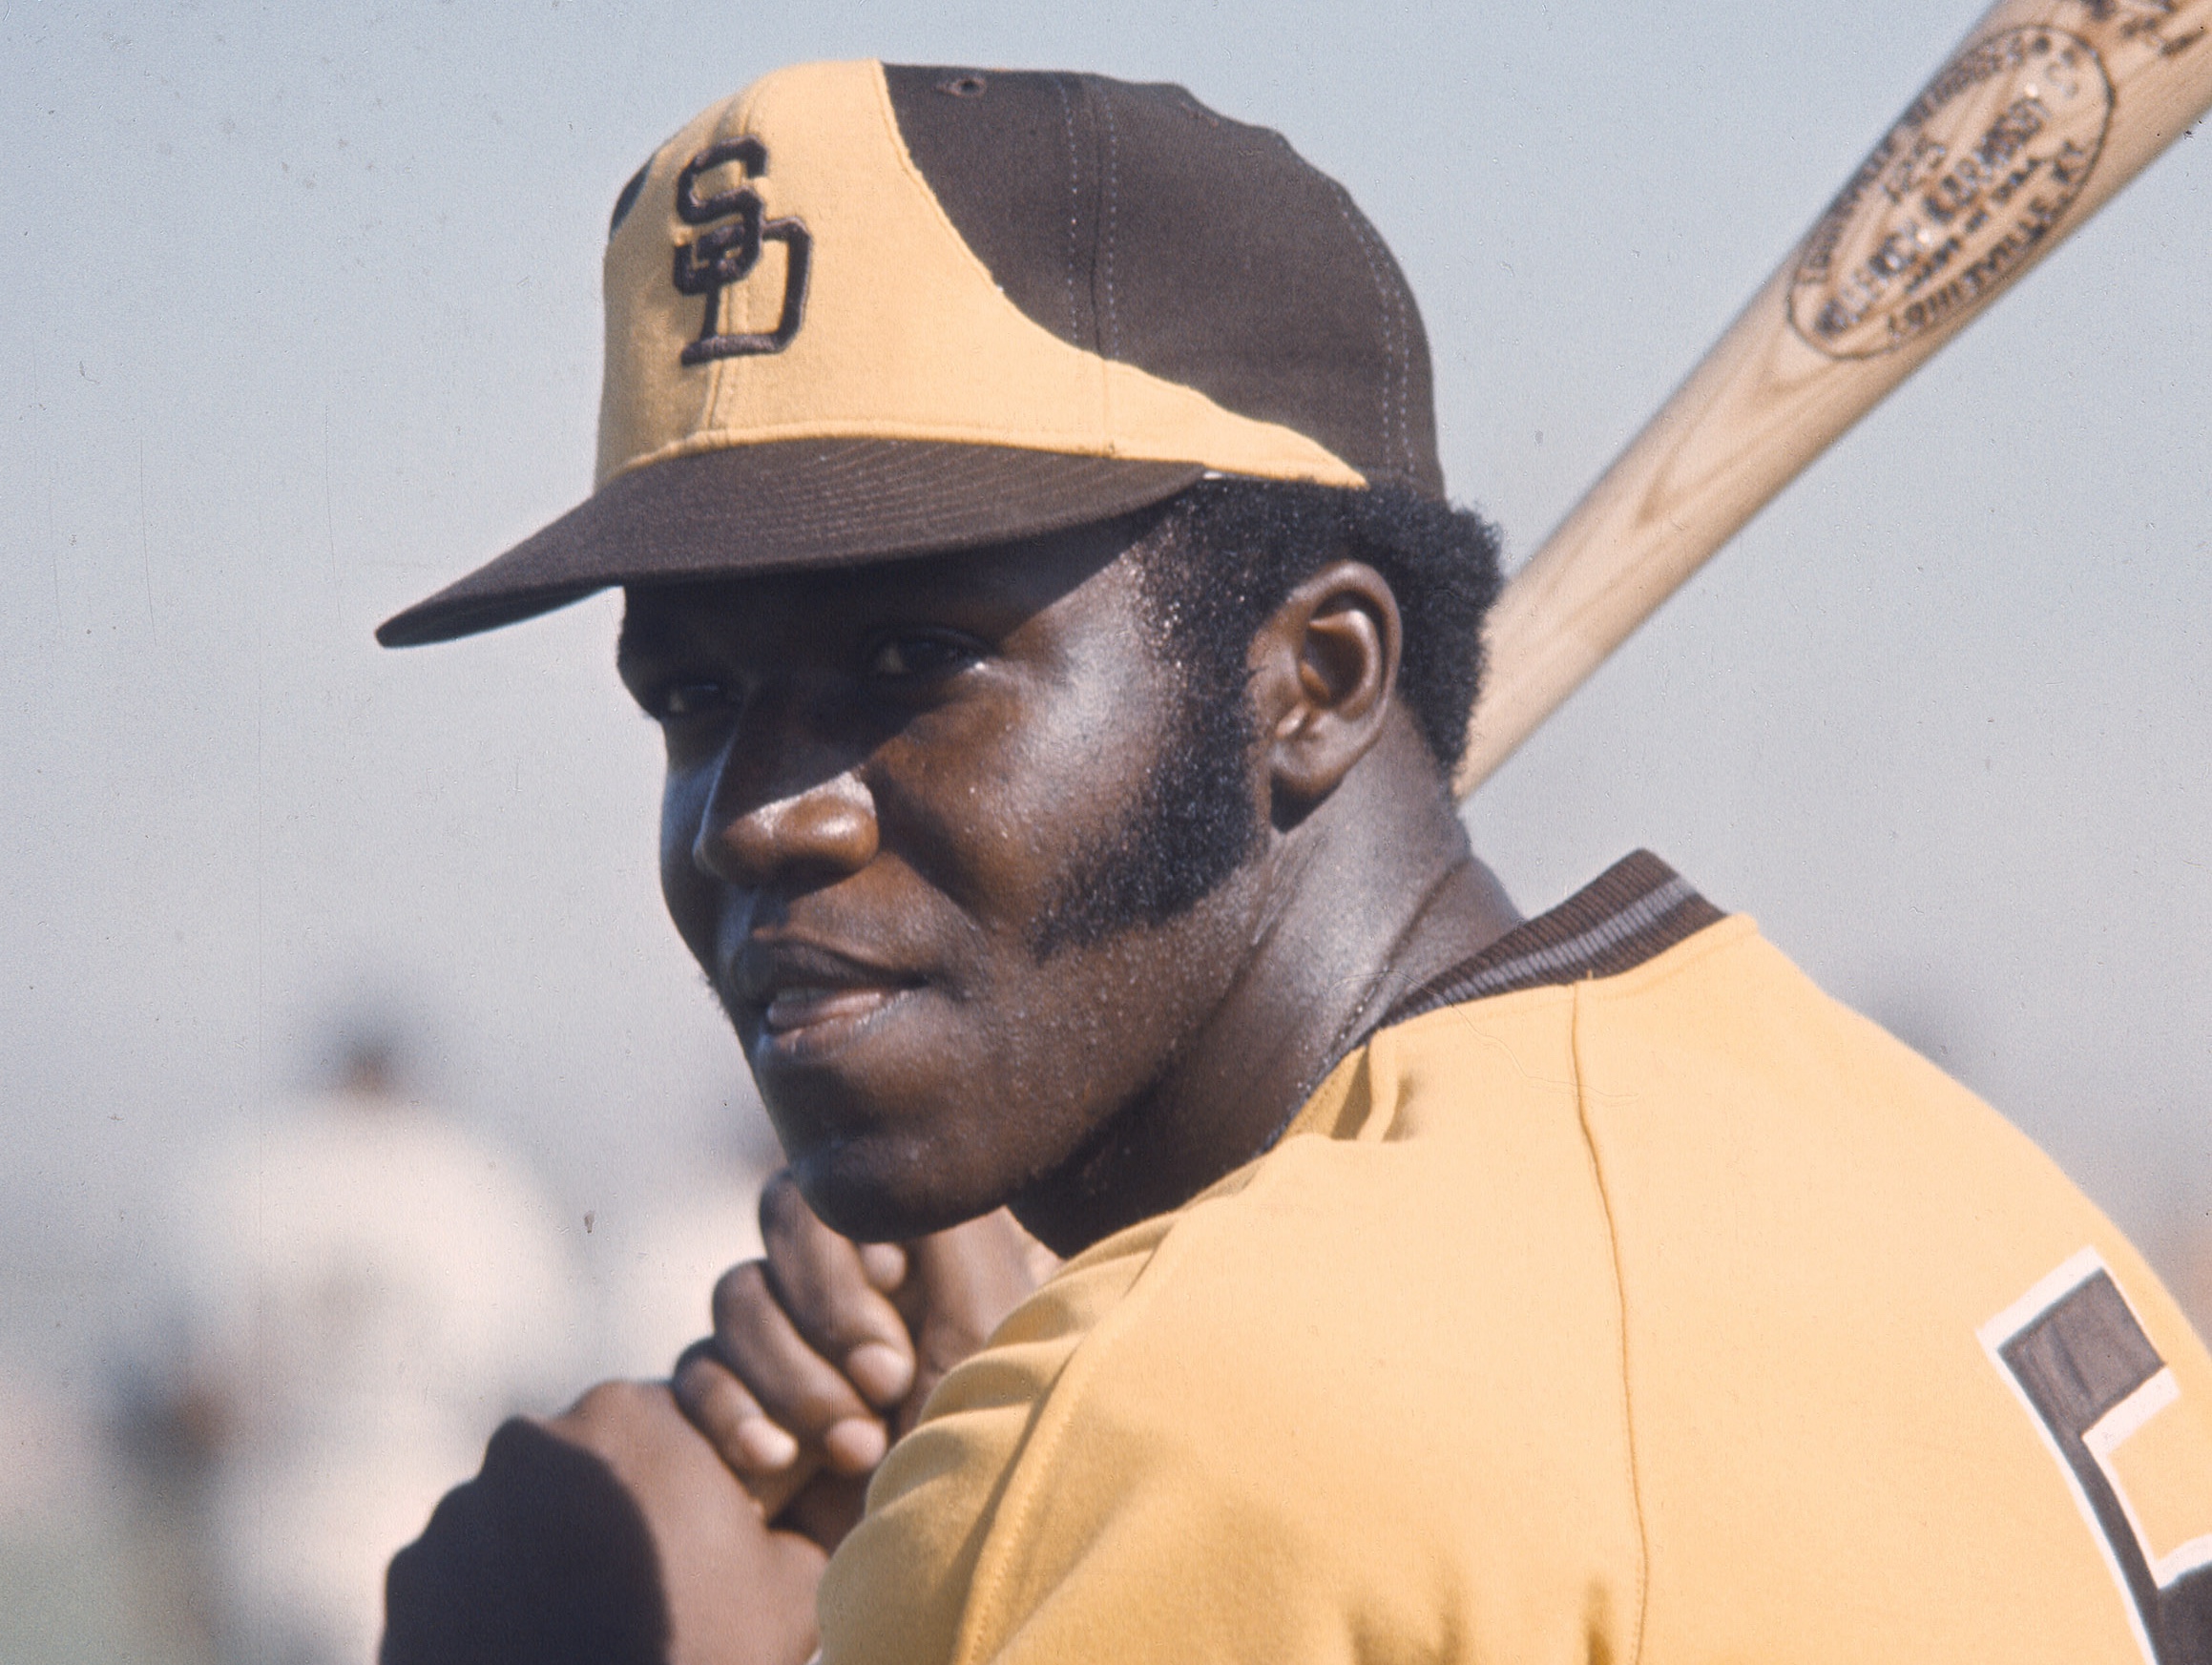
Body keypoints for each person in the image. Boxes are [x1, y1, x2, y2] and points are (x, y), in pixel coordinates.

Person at [373, 62, 2212, 1665]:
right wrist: (994, 1487)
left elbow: (1286, 1472)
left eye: (911, 661)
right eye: (692, 696)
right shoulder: (1902, 1161)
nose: (760, 815)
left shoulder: (1193, 1442)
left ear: (1316, 682)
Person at [139, 1028, 583, 1665]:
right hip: (426, 1504)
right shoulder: (476, 1177)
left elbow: (187, 1399)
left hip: (273, 1521)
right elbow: (540, 1394)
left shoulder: (248, 1169)